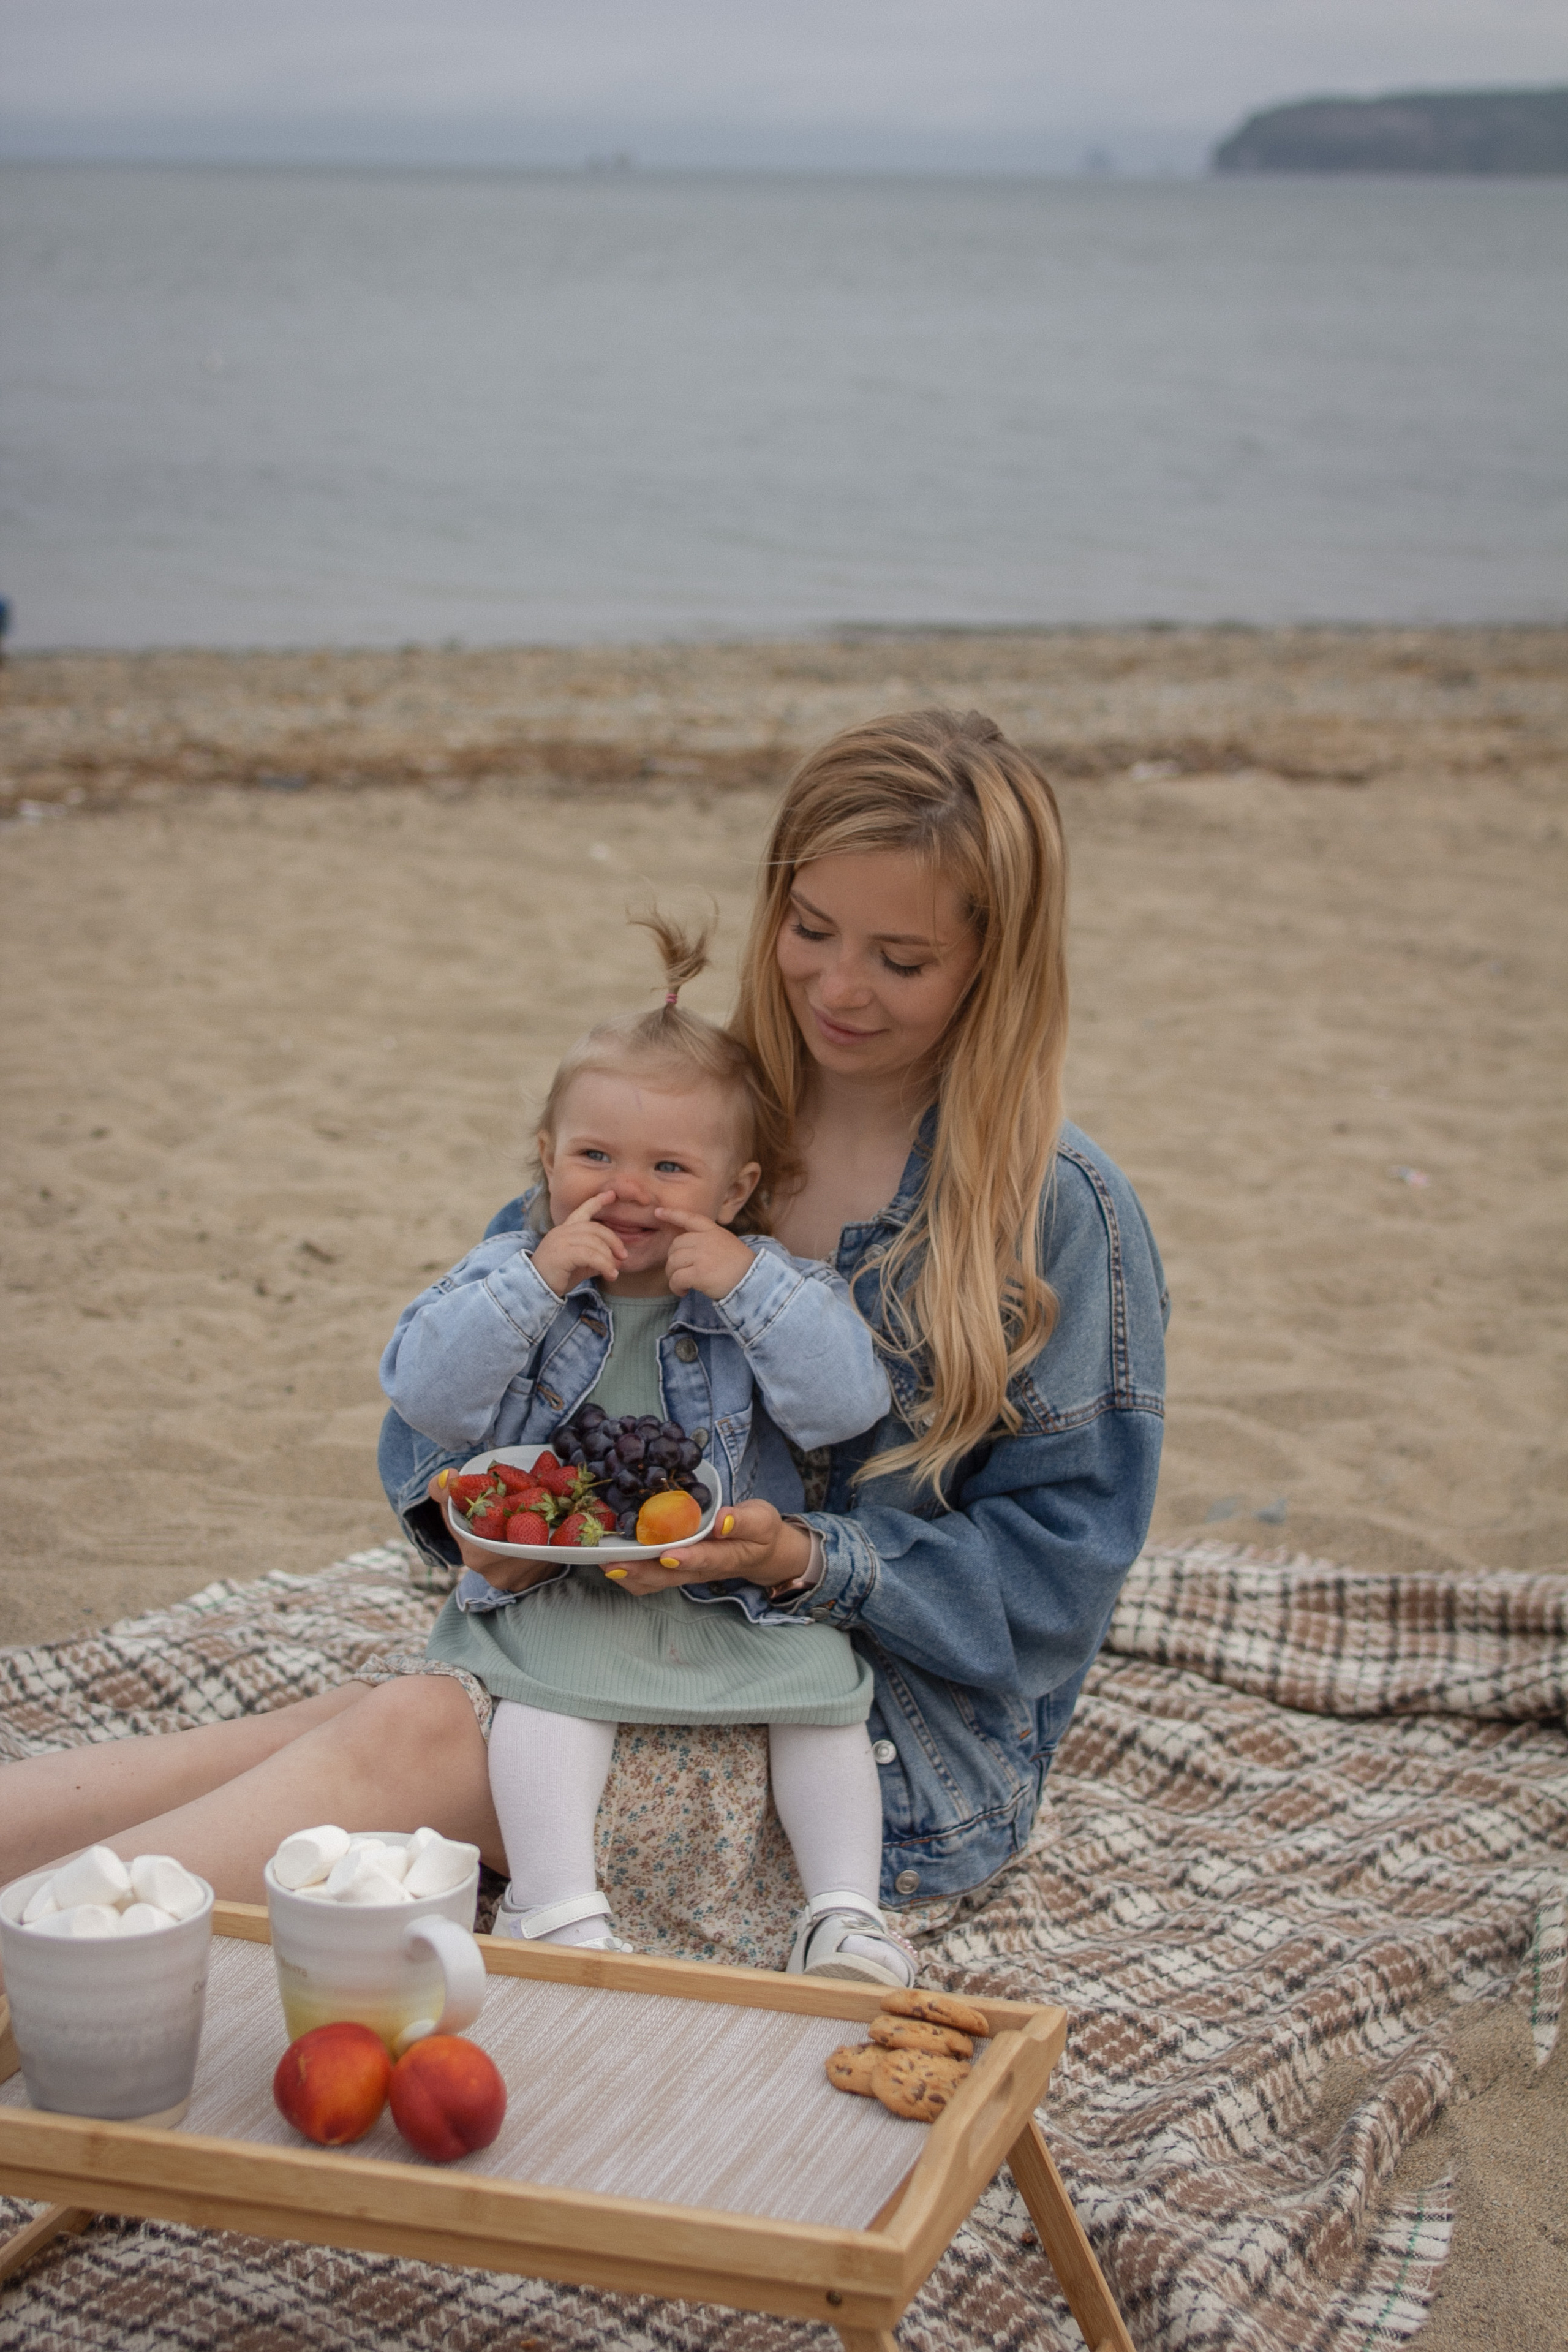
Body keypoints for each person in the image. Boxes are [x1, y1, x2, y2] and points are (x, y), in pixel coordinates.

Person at [0, 709, 1167, 1942]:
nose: (835, 986)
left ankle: (43, 1958)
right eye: (808, 929)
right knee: (340, 1732)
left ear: (993, 964)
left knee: (409, 1737)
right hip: (614, 1639)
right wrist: (473, 1517)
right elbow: (464, 1380)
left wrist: (806, 1558)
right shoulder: (689, 1117)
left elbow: (1055, 1581)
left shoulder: (1051, 1208)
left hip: (865, 1748)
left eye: (899, 958)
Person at [379, 915, 916, 1984]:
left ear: (736, 1190)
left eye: (670, 1167)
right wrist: (534, 1282)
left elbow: (844, 1404)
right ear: (546, 1159)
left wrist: (748, 1284)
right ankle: (557, 1906)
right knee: (546, 1700)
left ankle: (846, 1915)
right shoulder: (510, 1269)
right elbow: (423, 1392)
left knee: (824, 1692)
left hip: (720, 1582)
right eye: (594, 1157)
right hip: (564, 1579)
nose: (627, 1192)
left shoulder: (758, 1283)